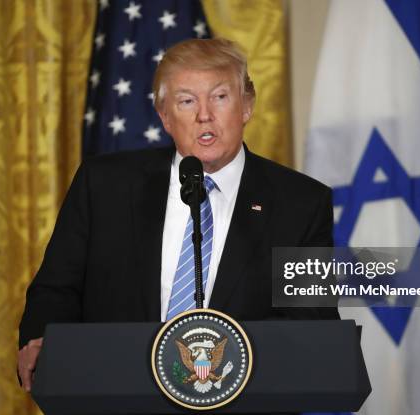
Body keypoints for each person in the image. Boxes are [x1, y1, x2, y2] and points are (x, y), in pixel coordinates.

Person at [17, 38, 338, 391]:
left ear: (246, 106)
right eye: (187, 101)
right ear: (165, 116)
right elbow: (56, 291)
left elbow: (311, 327)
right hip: (115, 397)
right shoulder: (104, 186)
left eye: (220, 97)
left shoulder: (301, 204)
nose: (204, 115)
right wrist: (46, 344)